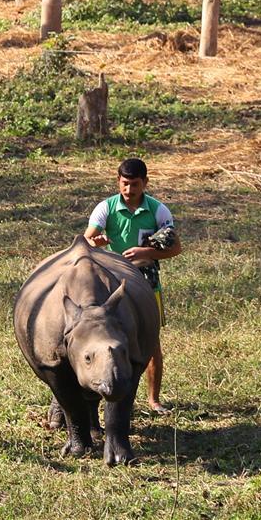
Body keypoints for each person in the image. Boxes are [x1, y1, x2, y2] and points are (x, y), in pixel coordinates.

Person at [84, 158, 182, 414]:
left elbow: (175, 247)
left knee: (151, 342)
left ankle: (153, 400)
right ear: (118, 181)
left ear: (145, 183)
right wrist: (96, 243)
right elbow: (87, 239)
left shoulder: (158, 210)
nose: (129, 190)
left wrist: (146, 252)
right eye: (125, 184)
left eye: (135, 184)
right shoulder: (106, 208)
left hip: (147, 282)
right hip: (111, 283)